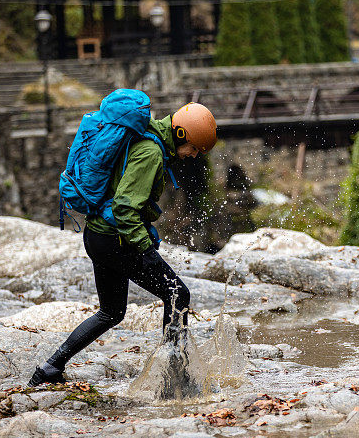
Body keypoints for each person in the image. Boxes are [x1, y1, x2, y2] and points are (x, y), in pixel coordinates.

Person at [28, 102, 218, 387]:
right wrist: (146, 249)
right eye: (193, 148)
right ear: (179, 133)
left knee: (111, 312)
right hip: (115, 240)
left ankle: (49, 368)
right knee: (178, 294)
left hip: (97, 236)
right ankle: (175, 379)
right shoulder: (152, 152)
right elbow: (124, 209)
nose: (193, 156)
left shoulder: (147, 139)